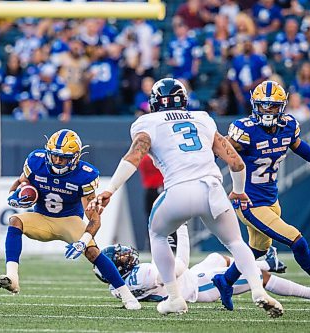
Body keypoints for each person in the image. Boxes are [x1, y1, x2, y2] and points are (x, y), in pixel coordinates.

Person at [88, 78, 283, 317]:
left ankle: (174, 297)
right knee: (235, 243)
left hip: (178, 191)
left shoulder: (148, 122)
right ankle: (257, 289)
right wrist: (239, 190)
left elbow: (135, 155)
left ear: (155, 103)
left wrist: (111, 189)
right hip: (212, 189)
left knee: (157, 234)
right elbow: (236, 162)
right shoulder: (202, 118)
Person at [216, 80, 310, 311]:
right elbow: (220, 151)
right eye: (264, 106)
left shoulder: (288, 126)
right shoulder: (244, 130)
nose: (268, 111)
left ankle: (225, 281)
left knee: (257, 250)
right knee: (297, 241)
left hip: (271, 200)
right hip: (249, 202)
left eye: (273, 106)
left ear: (282, 106)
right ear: (255, 106)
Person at [0, 129, 141, 310]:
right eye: (54, 156)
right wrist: (14, 196)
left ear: (75, 157)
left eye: (63, 158)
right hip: (41, 217)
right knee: (15, 221)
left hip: (69, 220)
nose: (57, 161)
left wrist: (82, 242)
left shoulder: (85, 175)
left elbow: (94, 220)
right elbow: (20, 183)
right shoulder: (36, 161)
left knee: (93, 252)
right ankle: (12, 277)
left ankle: (127, 296)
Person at [95, 225, 310, 305]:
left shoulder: (119, 287)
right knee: (258, 279)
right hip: (200, 286)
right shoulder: (143, 274)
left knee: (219, 257)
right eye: (121, 258)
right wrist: (181, 231)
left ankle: (261, 263)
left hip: (191, 278)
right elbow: (180, 265)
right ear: (119, 269)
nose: (127, 255)